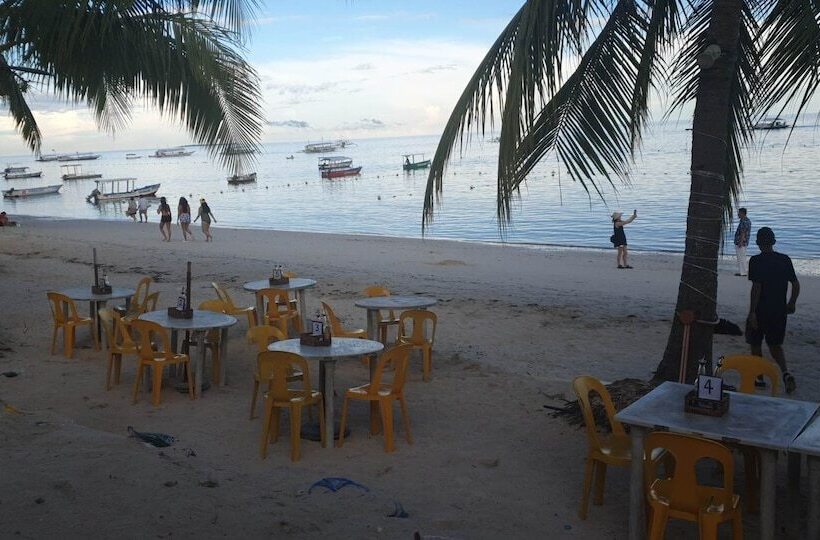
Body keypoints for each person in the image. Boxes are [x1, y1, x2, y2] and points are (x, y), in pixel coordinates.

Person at [746, 227, 800, 393]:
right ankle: (785, 372)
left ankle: (759, 376)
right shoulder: (784, 259)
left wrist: (752, 312)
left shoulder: (755, 261)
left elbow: (757, 288)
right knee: (775, 345)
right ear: (774, 242)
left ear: (757, 243)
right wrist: (791, 303)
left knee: (755, 343)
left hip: (761, 309)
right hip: (779, 310)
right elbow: (795, 284)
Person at [734, 207, 751, 276]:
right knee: (743, 256)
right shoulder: (747, 220)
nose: (738, 214)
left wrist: (740, 242)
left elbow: (743, 232)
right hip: (744, 241)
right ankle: (744, 270)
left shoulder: (744, 221)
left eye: (739, 213)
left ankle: (742, 272)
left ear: (742, 213)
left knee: (741, 257)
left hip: (741, 242)